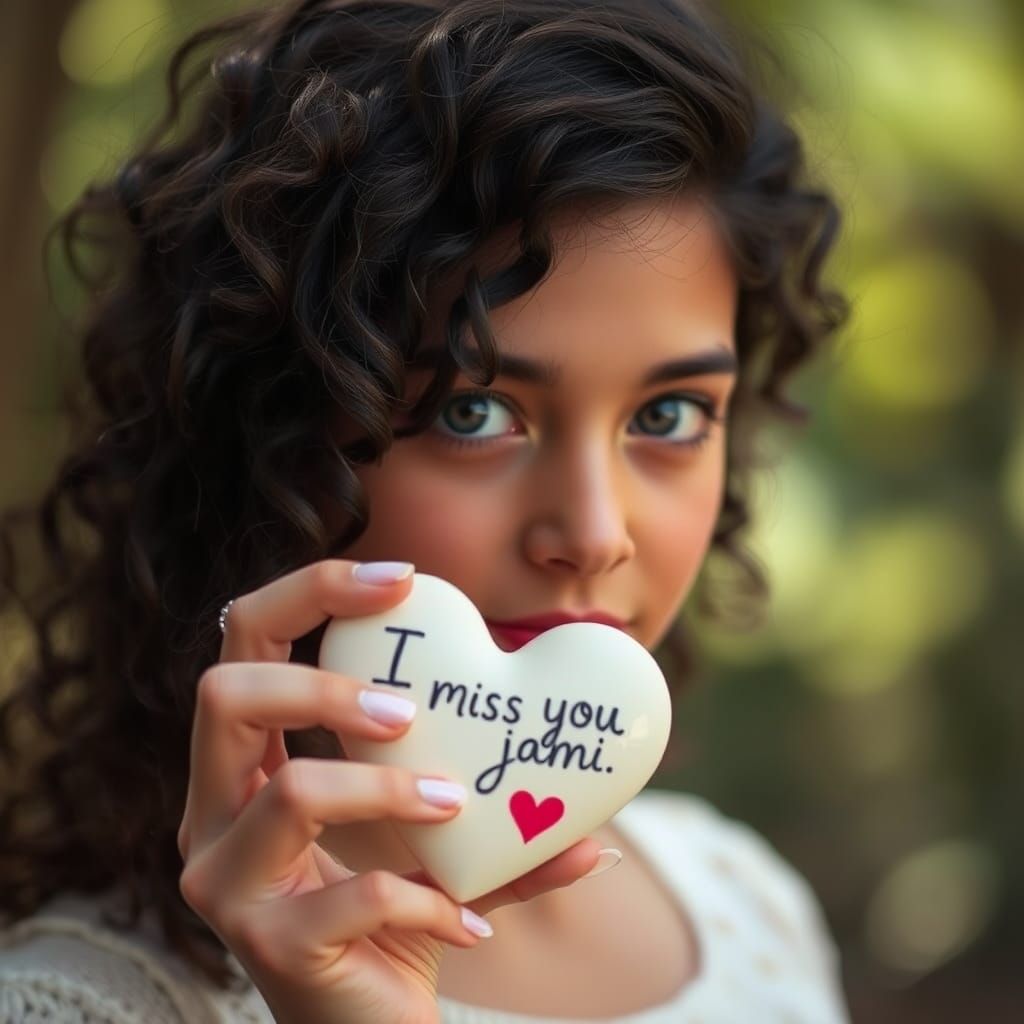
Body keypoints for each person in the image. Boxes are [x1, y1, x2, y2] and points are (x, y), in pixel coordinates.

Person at [0, 0, 852, 1020]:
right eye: (473, 408)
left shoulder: (742, 903)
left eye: (668, 414)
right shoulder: (78, 1000)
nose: (592, 532)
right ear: (277, 435)